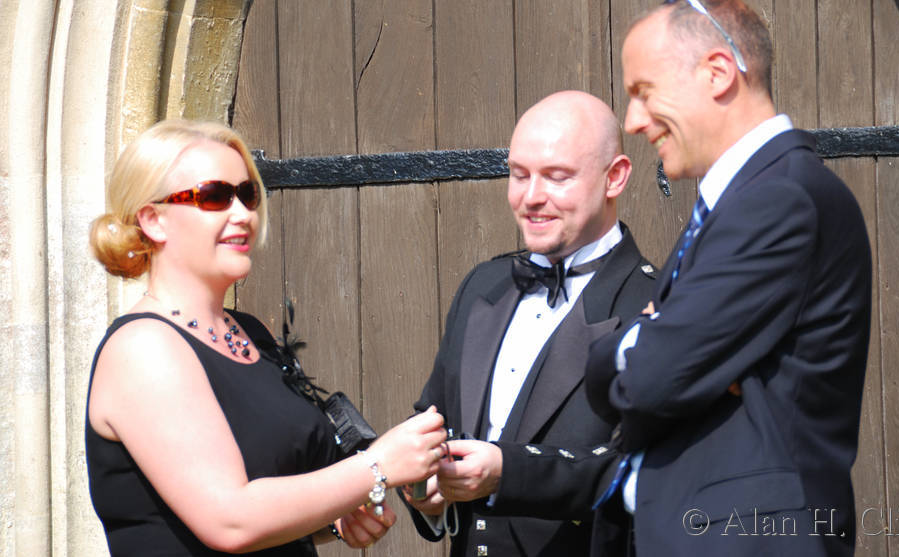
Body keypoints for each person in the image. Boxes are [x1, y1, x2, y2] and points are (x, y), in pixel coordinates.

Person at [585, 0, 872, 556]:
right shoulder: (739, 203)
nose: (633, 121)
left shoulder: (779, 199)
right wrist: (649, 343)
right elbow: (652, 371)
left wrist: (644, 342)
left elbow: (654, 378)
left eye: (644, 93)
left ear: (717, 73)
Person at [86, 119, 448, 556]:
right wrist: (378, 464)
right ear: (154, 220)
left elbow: (275, 494)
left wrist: (335, 518)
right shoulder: (143, 348)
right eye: (214, 196)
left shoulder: (249, 334)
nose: (243, 214)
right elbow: (231, 520)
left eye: (248, 195)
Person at [401, 91, 658, 557]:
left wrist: (508, 473)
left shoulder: (654, 304)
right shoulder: (483, 285)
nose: (531, 197)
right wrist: (424, 489)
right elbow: (432, 418)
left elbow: (643, 467)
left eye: (557, 177)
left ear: (615, 177)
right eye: (519, 175)